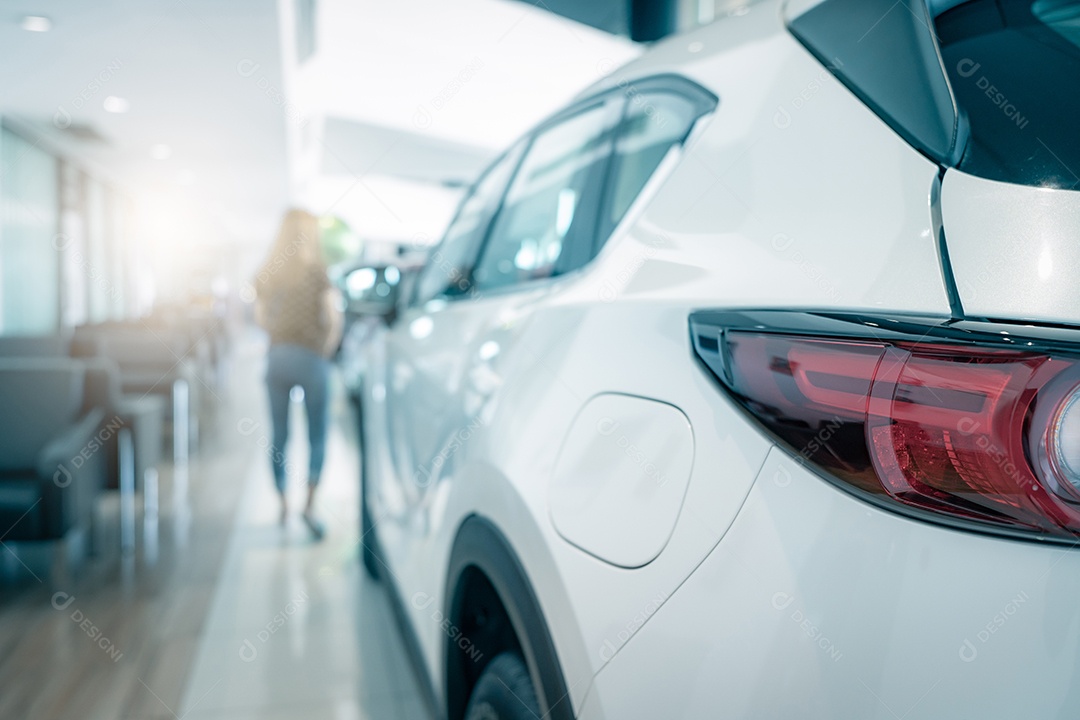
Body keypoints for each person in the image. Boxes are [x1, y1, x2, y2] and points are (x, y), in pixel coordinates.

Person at [253, 209, 343, 539]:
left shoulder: (269, 271)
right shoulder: (318, 272)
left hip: (277, 358)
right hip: (312, 358)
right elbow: (332, 318)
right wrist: (324, 351)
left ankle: (282, 503)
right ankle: (309, 506)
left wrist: (279, 339)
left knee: (280, 436)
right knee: (317, 435)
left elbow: (260, 317)